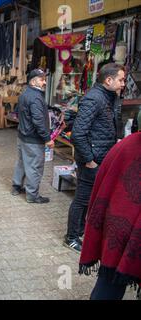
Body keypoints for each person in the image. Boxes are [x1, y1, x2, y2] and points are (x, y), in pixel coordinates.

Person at [64, 63, 125, 253]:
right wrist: (90, 160)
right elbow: (78, 134)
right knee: (82, 199)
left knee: (90, 199)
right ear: (109, 80)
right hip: (92, 161)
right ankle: (72, 237)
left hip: (102, 157)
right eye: (121, 79)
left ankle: (81, 231)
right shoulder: (94, 98)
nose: (123, 83)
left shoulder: (109, 97)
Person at [79, 132, 140, 300]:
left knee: (108, 284)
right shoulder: (127, 146)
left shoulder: (125, 145)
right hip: (123, 230)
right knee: (109, 283)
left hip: (117, 230)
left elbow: (101, 187)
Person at [11, 69, 54, 204]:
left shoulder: (25, 94)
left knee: (22, 162)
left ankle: (16, 186)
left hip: (23, 136)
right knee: (34, 166)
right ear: (33, 81)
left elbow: (17, 113)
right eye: (42, 79)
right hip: (33, 139)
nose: (44, 82)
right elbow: (38, 121)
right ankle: (32, 195)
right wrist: (47, 138)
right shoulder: (35, 97)